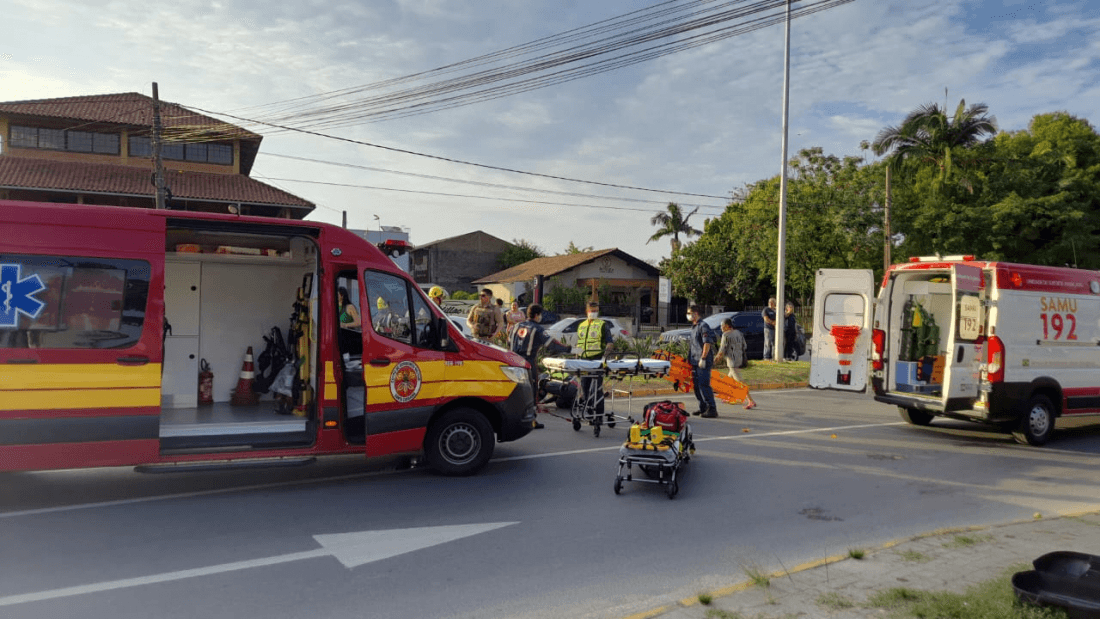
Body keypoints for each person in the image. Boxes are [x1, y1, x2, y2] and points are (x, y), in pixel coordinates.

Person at [510, 304, 570, 429]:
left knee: (514, 389)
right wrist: (568, 348)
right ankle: (531, 420)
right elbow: (552, 344)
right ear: (537, 315)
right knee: (531, 391)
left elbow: (509, 341)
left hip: (512, 361)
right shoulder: (537, 329)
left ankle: (512, 418)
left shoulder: (516, 326)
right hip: (527, 363)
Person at [575, 300, 614, 422]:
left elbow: (610, 343)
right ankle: (590, 411)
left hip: (597, 360)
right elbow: (579, 343)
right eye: (592, 311)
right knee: (585, 388)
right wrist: (577, 358)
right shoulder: (581, 326)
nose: (594, 313)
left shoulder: (602, 325)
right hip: (584, 361)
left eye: (596, 311)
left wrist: (604, 358)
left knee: (597, 389)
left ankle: (599, 417)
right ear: (587, 311)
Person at [715, 318, 756, 410]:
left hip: (732, 361)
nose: (721, 327)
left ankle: (750, 401)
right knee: (728, 380)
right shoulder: (739, 333)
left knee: (740, 382)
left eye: (722, 326)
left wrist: (716, 358)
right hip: (739, 359)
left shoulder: (726, 335)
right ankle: (730, 397)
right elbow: (744, 346)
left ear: (726, 326)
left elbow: (722, 350)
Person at [687, 304, 719, 418]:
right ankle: (703, 407)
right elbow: (693, 345)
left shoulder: (703, 326)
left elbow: (707, 343)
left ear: (696, 314)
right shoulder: (694, 327)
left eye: (690, 313)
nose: (688, 316)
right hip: (695, 360)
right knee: (696, 386)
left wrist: (703, 358)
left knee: (704, 385)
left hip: (702, 361)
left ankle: (712, 409)